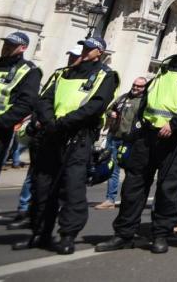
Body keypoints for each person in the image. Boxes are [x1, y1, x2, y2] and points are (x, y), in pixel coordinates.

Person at [98, 26, 177, 254]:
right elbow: (150, 94)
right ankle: (123, 233)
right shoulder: (168, 63)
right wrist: (138, 124)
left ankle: (160, 233)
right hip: (148, 133)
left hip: (176, 136)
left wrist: (175, 123)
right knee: (134, 183)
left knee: (168, 187)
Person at [14, 36, 117, 254]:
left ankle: (67, 235)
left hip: (78, 138)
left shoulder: (105, 75)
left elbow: (96, 105)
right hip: (52, 135)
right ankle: (39, 232)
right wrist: (51, 122)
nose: (84, 51)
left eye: (89, 49)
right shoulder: (62, 73)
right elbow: (44, 99)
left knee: (72, 188)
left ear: (99, 52)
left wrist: (64, 123)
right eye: (83, 47)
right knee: (42, 186)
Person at [0, 32, 40, 164]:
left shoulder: (29, 71)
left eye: (11, 45)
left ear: (23, 48)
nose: (6, 47)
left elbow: (27, 104)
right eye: (6, 44)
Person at [97, 76, 147, 209]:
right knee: (112, 168)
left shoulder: (144, 101)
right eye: (134, 85)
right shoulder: (123, 97)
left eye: (139, 86)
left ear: (144, 88)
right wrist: (111, 113)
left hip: (130, 141)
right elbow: (109, 109)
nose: (135, 88)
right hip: (114, 136)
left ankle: (128, 200)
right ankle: (110, 200)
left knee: (131, 171)